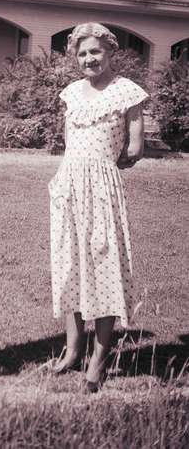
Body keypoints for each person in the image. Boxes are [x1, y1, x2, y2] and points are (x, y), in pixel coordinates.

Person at [48, 22, 148, 392]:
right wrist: (68, 179)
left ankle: (98, 358)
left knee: (103, 267)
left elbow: (136, 147)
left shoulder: (127, 93)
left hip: (103, 190)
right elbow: (68, 141)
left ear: (110, 52)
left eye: (96, 51)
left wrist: (107, 168)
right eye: (82, 53)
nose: (89, 58)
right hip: (69, 187)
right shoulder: (72, 93)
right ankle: (73, 350)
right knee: (70, 266)